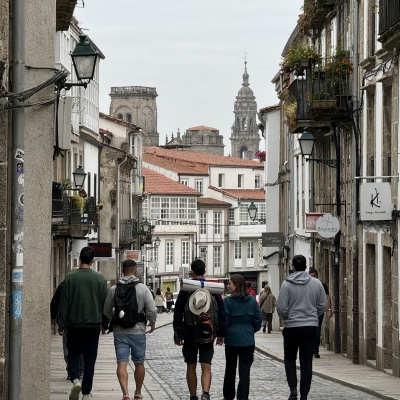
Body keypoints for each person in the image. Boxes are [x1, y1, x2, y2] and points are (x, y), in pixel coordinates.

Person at [57, 247, 108, 400]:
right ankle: (86, 393)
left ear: (79, 259)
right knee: (90, 360)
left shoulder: (70, 278)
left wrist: (61, 325)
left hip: (74, 325)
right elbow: (104, 304)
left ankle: (75, 380)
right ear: (93, 261)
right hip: (93, 326)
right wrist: (105, 324)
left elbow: (64, 303)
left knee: (72, 354)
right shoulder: (100, 279)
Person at [173, 259, 227, 400]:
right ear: (205, 271)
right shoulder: (212, 288)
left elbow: (178, 312)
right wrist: (221, 333)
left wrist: (177, 333)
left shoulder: (187, 289)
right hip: (207, 332)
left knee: (191, 365)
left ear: (192, 271)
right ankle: (205, 393)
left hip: (190, 332)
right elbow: (221, 311)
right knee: (206, 364)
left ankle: (193, 396)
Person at [103, 259, 157, 400]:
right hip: (138, 331)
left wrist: (109, 322)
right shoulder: (143, 288)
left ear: (122, 270)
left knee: (122, 362)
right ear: (135, 271)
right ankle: (138, 393)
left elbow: (106, 310)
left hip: (120, 331)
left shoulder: (114, 289)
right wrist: (152, 323)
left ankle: (125, 394)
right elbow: (152, 309)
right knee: (139, 362)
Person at [276, 255, 326, 400]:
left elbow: (281, 308)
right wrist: (312, 316)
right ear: (306, 266)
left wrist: (288, 317)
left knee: (290, 358)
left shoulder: (286, 284)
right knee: (306, 362)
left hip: (292, 327)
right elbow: (323, 305)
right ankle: (304, 394)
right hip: (310, 327)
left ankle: (293, 389)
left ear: (292, 266)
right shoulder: (317, 284)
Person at [223, 274, 262, 400]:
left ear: (236, 285)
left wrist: (225, 332)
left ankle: (228, 396)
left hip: (232, 340)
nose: (228, 286)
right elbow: (258, 318)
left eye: (230, 283)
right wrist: (250, 330)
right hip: (247, 340)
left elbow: (225, 320)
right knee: (245, 372)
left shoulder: (228, 301)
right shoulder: (251, 300)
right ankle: (243, 396)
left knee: (230, 369)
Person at [50, 277, 84, 380]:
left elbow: (54, 303)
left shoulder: (63, 286)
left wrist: (53, 318)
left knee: (67, 346)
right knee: (81, 346)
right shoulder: (83, 286)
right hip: (82, 321)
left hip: (67, 322)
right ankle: (81, 370)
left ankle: (71, 370)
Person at [308, 267, 332, 358]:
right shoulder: (305, 285)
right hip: (308, 312)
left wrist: (329, 310)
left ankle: (316, 350)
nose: (313, 277)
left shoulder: (322, 285)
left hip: (318, 312)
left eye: (315, 275)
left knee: (317, 330)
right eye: (311, 276)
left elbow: (327, 297)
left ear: (317, 276)